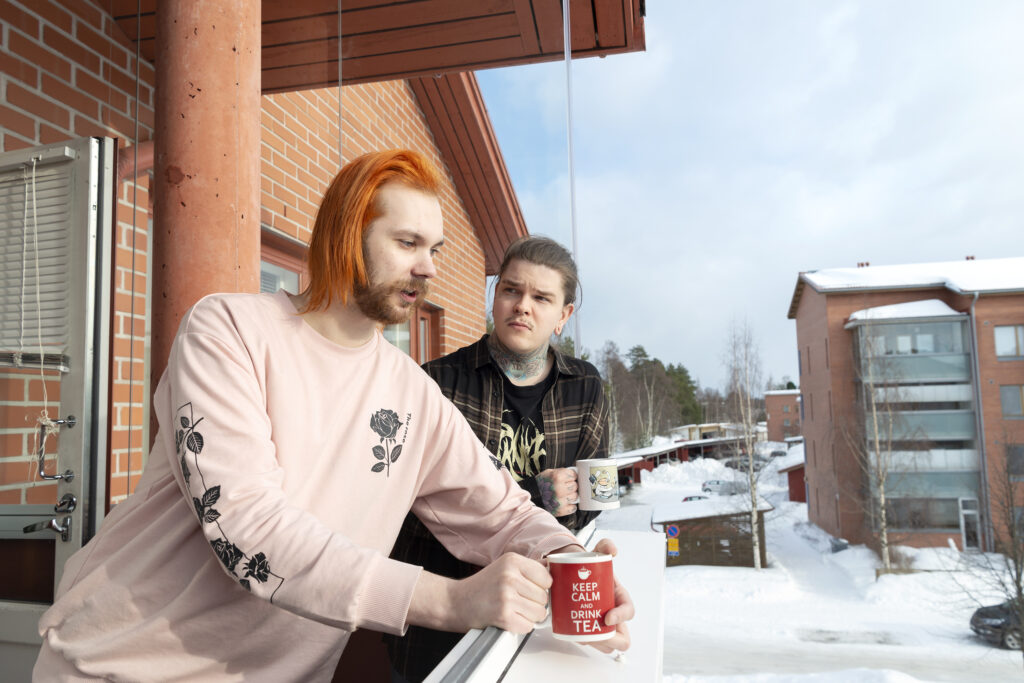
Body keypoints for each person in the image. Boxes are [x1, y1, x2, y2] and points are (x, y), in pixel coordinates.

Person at [33, 150, 632, 682]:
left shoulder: (412, 392)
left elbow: (499, 512)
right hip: (117, 665)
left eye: (434, 250)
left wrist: (571, 565)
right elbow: (249, 530)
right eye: (406, 244)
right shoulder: (229, 330)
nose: (427, 267)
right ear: (348, 235)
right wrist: (450, 601)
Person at [386, 236, 618, 683]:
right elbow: (407, 511)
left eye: (541, 297)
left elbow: (593, 502)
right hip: (439, 631)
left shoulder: (583, 385)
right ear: (495, 296)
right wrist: (533, 494)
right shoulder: (437, 383)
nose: (522, 306)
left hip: (541, 618)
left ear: (563, 316)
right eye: (511, 290)